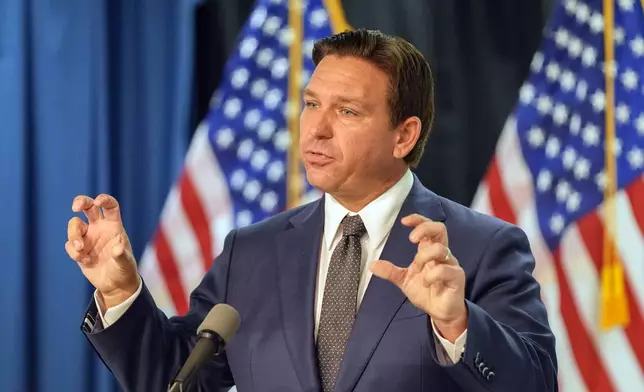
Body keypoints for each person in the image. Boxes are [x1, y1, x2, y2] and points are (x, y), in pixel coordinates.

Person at [67, 29, 557, 391]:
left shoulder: (480, 247)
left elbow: (535, 383)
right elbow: (175, 378)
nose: (316, 129)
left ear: (404, 135)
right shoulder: (253, 251)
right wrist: (120, 290)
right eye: (311, 104)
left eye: (346, 111)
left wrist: (457, 325)